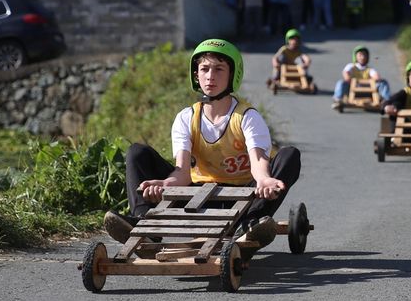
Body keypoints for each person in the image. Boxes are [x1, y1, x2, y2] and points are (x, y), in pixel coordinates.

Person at [104, 39, 302, 260]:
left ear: (232, 75)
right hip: (197, 196)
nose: (210, 76)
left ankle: (251, 225)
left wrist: (264, 180)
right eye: (204, 69)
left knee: (290, 155)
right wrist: (164, 184)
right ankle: (144, 224)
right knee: (137, 152)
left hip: (243, 198)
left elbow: (258, 161)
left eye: (219, 69)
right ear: (196, 75)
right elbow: (182, 172)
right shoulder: (187, 117)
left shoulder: (247, 117)